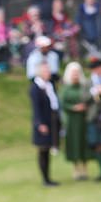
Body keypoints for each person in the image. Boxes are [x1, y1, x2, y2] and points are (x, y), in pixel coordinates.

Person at [30, 58, 60, 186]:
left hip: (52, 119)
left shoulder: (50, 84)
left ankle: (48, 177)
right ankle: (45, 179)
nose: (48, 72)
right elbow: (36, 108)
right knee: (43, 150)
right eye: (45, 70)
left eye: (48, 69)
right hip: (43, 122)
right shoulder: (36, 88)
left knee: (48, 149)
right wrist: (39, 124)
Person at [59, 61, 88, 180]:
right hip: (72, 120)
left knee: (84, 142)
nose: (75, 75)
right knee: (74, 143)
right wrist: (73, 107)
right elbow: (63, 103)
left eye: (77, 73)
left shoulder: (84, 87)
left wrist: (85, 106)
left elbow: (89, 98)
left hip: (84, 119)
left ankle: (85, 168)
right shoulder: (66, 88)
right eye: (73, 73)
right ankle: (76, 169)